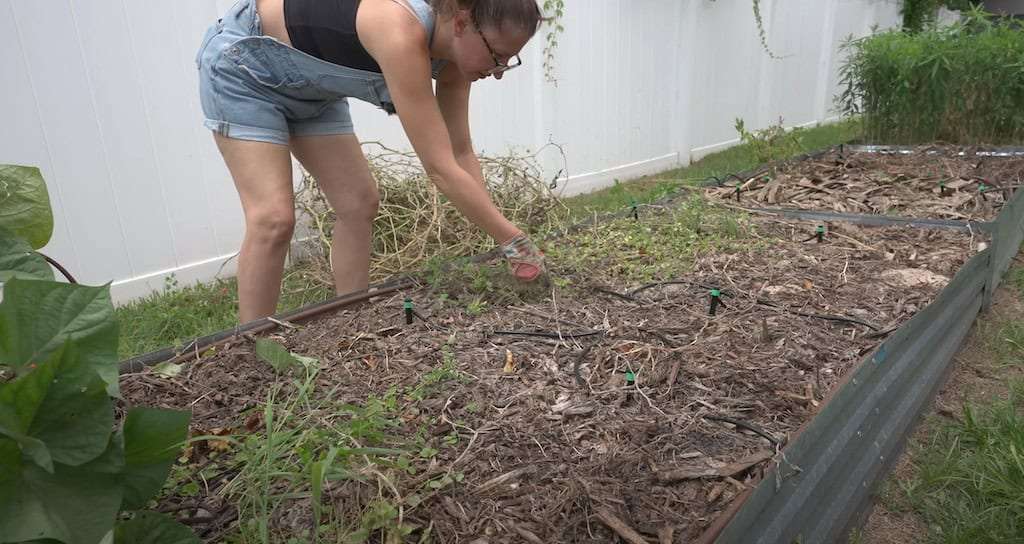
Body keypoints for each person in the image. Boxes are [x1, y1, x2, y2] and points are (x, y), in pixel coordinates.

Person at [195, 0, 548, 322]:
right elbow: (440, 168)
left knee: (358, 201)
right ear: (461, 23)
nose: (500, 70)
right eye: (497, 55)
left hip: (311, 88)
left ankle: (352, 320)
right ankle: (254, 351)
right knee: (273, 219)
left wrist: (497, 230)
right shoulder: (400, 30)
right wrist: (514, 241)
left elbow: (460, 153)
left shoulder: (457, 59)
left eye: (508, 60)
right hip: (246, 66)